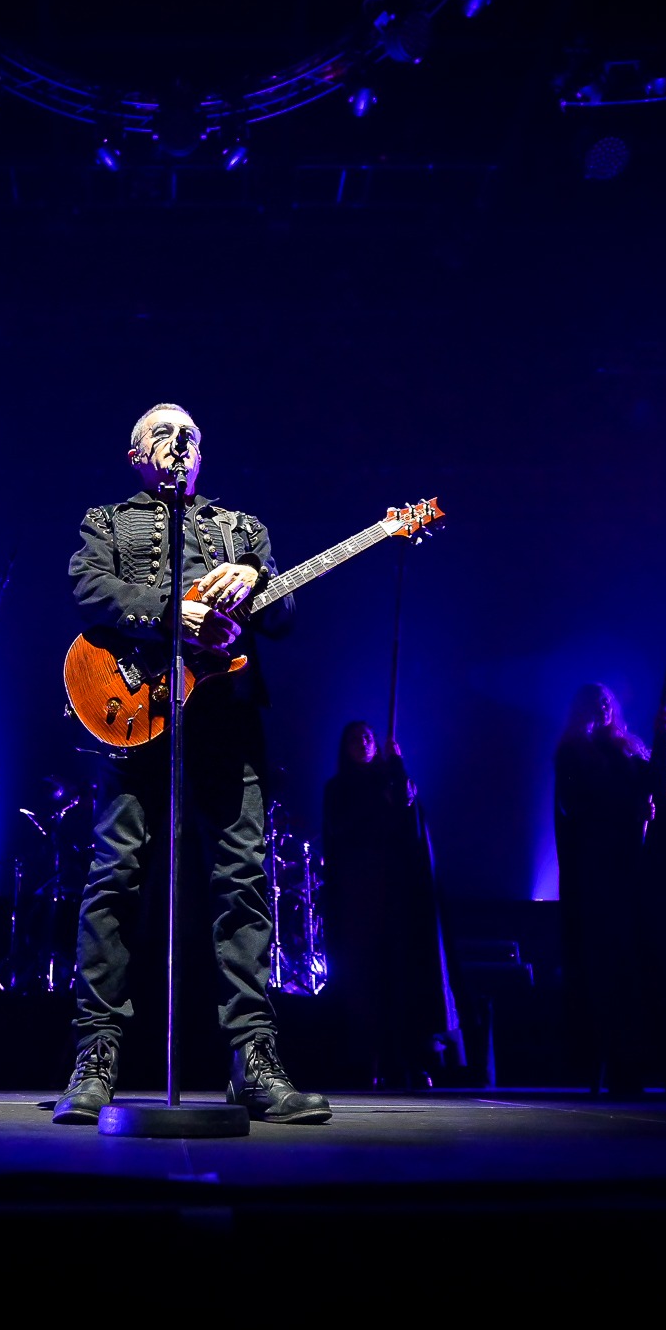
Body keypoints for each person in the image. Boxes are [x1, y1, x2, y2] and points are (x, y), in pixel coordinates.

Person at [54, 402, 330, 1124]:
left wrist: (257, 580)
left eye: (193, 437)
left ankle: (255, 1059)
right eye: (166, 435)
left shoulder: (244, 530)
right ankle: (96, 1057)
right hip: (136, 717)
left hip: (226, 723)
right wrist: (173, 607)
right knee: (114, 879)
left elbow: (285, 616)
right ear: (136, 454)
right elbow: (89, 590)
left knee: (243, 883)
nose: (182, 445)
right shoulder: (107, 522)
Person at [553, 683, 666, 1095]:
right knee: (622, 973)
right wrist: (627, 813)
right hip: (608, 878)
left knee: (664, 966)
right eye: (591, 702)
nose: (601, 707)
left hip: (647, 874)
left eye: (606, 701)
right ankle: (625, 1067)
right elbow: (576, 806)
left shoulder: (631, 748)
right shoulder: (572, 753)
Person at [322, 721, 460, 1088]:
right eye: (354, 738)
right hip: (358, 895)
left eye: (367, 737)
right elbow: (340, 833)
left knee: (402, 976)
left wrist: (397, 766)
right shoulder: (338, 789)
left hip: (395, 895)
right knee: (365, 981)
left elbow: (407, 812)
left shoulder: (392, 780)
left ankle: (410, 1060)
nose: (363, 743)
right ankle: (368, 1061)